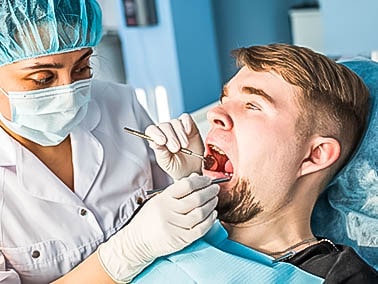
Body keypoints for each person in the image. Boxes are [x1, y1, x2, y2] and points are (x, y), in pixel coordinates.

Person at [0, 1, 219, 283]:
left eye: (82, 68)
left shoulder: (119, 104)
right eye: (42, 78)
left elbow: (176, 214)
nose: (69, 94)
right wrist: (125, 252)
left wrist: (187, 177)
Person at [135, 44, 378, 283]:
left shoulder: (343, 277)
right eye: (225, 98)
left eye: (253, 105)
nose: (215, 113)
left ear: (315, 155)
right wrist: (189, 181)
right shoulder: (160, 226)